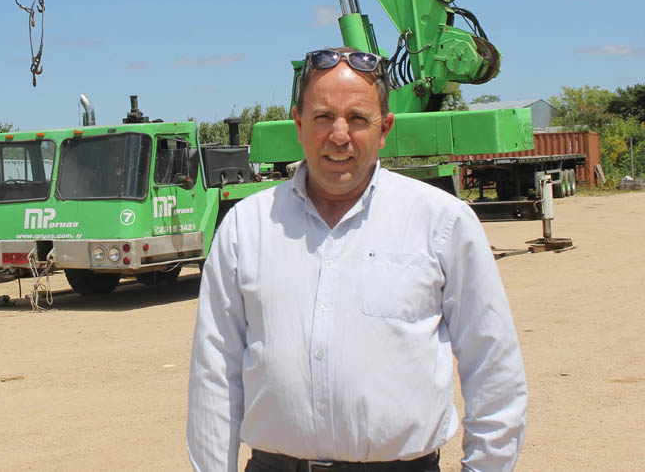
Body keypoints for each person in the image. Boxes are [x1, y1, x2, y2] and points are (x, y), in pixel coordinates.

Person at [186, 48, 527, 471]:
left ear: (384, 128)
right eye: (323, 117)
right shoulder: (246, 228)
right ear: (298, 124)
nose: (339, 135)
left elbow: (493, 365)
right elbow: (215, 372)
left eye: (358, 119)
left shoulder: (441, 222)